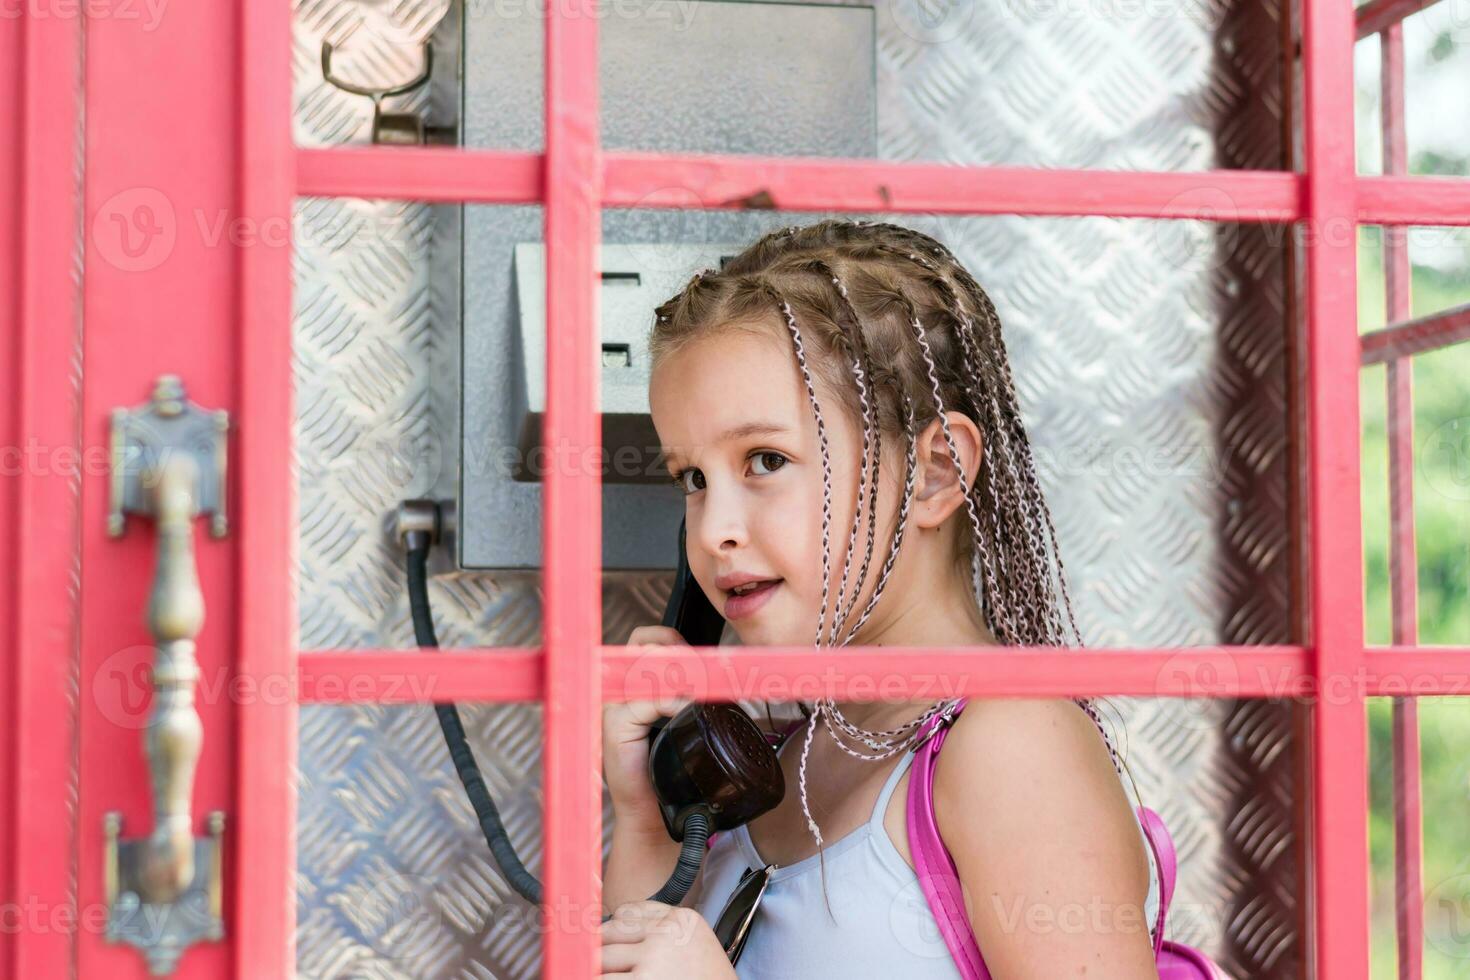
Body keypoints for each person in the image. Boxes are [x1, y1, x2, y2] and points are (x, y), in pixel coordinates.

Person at [600, 219, 1160, 978]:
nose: (715, 532)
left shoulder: (1010, 748)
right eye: (693, 479)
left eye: (766, 459)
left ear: (934, 474)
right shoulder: (789, 757)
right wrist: (646, 823)